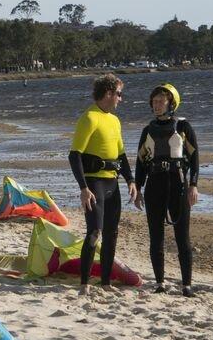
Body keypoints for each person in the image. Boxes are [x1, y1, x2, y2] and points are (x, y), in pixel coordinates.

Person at [68, 73, 136, 295]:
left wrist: (130, 180)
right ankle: (84, 284)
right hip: (94, 184)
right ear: (108, 93)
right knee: (94, 232)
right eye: (119, 94)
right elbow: (74, 155)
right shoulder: (89, 118)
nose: (120, 99)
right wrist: (83, 188)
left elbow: (121, 155)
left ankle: (105, 282)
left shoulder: (114, 120)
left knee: (111, 233)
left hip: (112, 183)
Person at [133, 84, 199, 297]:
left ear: (171, 103)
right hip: (154, 185)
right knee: (156, 237)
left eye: (161, 101)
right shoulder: (148, 130)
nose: (157, 105)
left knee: (183, 237)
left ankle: (186, 285)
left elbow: (195, 158)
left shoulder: (183, 127)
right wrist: (138, 188)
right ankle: (160, 283)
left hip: (178, 185)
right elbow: (141, 162)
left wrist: (193, 185)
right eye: (154, 101)